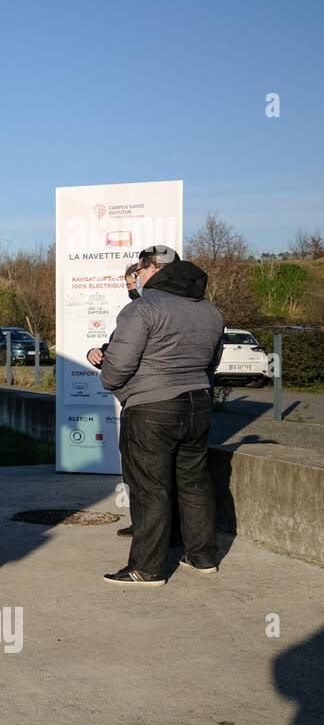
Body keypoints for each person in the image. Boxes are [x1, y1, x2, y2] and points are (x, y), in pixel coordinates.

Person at [98, 245, 225, 587]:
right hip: (198, 404)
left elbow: (117, 369)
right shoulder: (211, 311)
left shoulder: (142, 309)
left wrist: (106, 372)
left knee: (149, 488)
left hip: (152, 409)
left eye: (139, 270)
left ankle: (147, 568)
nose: (136, 277)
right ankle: (202, 557)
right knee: (195, 483)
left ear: (151, 269)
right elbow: (212, 363)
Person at [88, 263, 141, 537]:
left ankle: (152, 532)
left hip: (142, 402)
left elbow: (125, 359)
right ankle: (143, 523)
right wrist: (97, 353)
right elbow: (116, 349)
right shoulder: (134, 314)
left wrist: (110, 375)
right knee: (134, 470)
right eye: (126, 286)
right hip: (135, 402)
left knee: (145, 472)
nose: (129, 290)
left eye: (131, 285)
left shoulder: (143, 313)